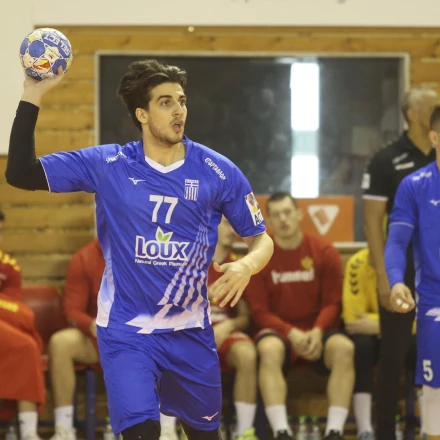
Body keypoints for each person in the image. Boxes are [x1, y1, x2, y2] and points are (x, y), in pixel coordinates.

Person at [6, 59, 274, 440]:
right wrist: (33, 92)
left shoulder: (218, 171)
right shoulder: (109, 164)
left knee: (204, 435)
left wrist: (247, 265)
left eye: (181, 101)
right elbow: (20, 172)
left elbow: (262, 238)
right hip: (127, 332)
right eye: (166, 102)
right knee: (141, 433)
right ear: (142, 114)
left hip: (189, 331)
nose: (179, 110)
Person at [244, 192, 355, 440]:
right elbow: (259, 311)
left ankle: (335, 432)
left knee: (344, 349)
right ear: (268, 220)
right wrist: (290, 333)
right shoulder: (259, 257)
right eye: (276, 215)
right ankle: (281, 431)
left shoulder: (323, 251)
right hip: (279, 333)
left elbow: (333, 302)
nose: (283, 219)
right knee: (269, 350)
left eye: (287, 212)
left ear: (299, 214)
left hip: (318, 332)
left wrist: (318, 330)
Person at [362, 87, 439, 440]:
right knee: (393, 357)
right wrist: (388, 278)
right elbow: (378, 226)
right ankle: (384, 433)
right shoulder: (391, 164)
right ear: (412, 114)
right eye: (430, 106)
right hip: (410, 276)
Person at [161, 217, 258, 440]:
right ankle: (170, 430)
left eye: (233, 224)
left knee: (247, 354)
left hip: (225, 335)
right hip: (190, 332)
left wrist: (229, 325)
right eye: (225, 223)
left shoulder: (238, 266)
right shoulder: (185, 261)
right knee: (166, 347)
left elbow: (246, 317)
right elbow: (167, 309)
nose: (232, 229)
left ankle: (244, 432)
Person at [384, 105, 440, 440]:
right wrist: (395, 282)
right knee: (435, 394)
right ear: (434, 138)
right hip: (434, 300)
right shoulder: (415, 186)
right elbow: (396, 241)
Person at [342, 248, 420, 440]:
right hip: (373, 340)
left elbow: (422, 319)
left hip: (403, 336)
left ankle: (428, 428)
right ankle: (365, 430)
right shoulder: (357, 262)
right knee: (361, 347)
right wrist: (389, 324)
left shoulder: (415, 264)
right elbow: (352, 321)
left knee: (424, 345)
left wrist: (375, 324)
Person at [48, 238, 105, 440]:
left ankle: (164, 427)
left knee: (167, 337)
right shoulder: (84, 258)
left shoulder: (145, 252)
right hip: (99, 338)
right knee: (60, 343)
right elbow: (72, 309)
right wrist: (90, 324)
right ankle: (64, 429)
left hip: (137, 335)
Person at [0, 209, 45, 440]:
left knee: (26, 343)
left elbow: (15, 307)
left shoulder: (7, 265)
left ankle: (27, 432)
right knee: (27, 344)